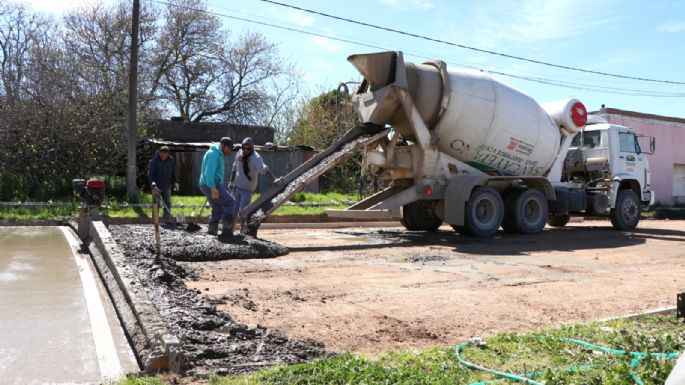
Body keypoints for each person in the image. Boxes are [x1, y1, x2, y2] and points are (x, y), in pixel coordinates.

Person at [229, 137, 279, 227]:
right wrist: (231, 182)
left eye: (248, 148)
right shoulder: (239, 153)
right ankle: (229, 230)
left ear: (252, 148)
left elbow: (264, 169)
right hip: (236, 186)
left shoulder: (256, 158)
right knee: (233, 209)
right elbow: (234, 168)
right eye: (243, 147)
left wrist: (274, 179)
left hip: (247, 189)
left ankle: (243, 229)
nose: (245, 150)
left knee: (243, 211)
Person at [199, 137, 237, 236]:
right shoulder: (214, 155)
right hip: (211, 184)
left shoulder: (216, 153)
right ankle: (227, 231)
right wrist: (213, 188)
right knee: (231, 202)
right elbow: (209, 174)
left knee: (217, 206)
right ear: (223, 146)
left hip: (207, 184)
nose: (229, 151)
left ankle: (212, 231)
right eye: (228, 148)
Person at [147, 145, 178, 223]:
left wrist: (175, 182)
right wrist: (153, 185)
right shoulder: (153, 161)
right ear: (160, 153)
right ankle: (155, 220)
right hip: (156, 186)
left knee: (167, 203)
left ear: (168, 154)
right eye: (163, 154)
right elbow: (151, 175)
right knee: (156, 203)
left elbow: (173, 172)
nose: (164, 156)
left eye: (166, 155)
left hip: (166, 185)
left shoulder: (171, 160)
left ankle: (167, 219)